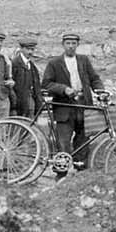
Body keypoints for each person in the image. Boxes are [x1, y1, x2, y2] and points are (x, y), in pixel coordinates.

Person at [42, 32, 104, 170]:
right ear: (63, 45)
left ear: (77, 45)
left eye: (73, 44)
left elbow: (94, 78)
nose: (71, 46)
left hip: (83, 106)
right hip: (64, 107)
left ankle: (80, 171)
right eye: (68, 43)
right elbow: (46, 83)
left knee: (83, 140)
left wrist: (100, 91)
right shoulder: (54, 63)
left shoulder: (84, 60)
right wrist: (64, 89)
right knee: (63, 142)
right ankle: (61, 173)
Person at [10, 37, 43, 118]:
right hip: (19, 104)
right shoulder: (14, 64)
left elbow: (37, 87)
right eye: (28, 49)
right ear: (21, 49)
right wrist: (14, 103)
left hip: (31, 102)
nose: (30, 52)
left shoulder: (32, 66)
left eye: (32, 49)